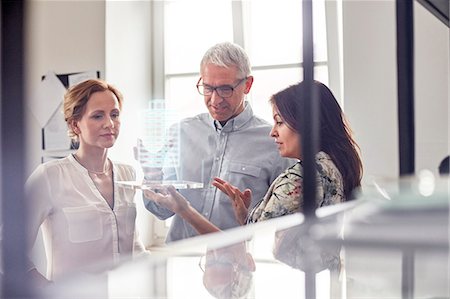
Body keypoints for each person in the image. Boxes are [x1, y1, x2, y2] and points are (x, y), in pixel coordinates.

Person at [143, 80, 363, 234]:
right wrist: (245, 215)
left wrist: (184, 209)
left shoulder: (299, 178)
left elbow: (253, 243)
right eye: (208, 87)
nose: (273, 132)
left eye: (280, 122)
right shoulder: (334, 165)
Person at [139, 41, 292, 242]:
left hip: (238, 263)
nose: (215, 100)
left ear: (247, 84)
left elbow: (285, 223)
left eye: (225, 89)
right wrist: (152, 175)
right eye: (208, 88)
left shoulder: (274, 141)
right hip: (181, 260)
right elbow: (161, 211)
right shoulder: (180, 132)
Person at [24, 79, 146, 286]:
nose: (110, 123)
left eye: (114, 115)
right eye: (98, 116)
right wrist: (47, 290)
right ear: (74, 124)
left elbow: (134, 247)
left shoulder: (127, 173)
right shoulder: (49, 176)